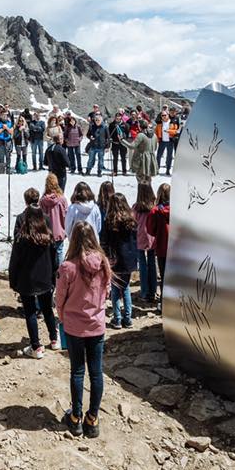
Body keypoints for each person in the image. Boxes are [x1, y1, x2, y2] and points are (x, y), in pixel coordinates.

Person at [55, 222, 111, 439]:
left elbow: (60, 297)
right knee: (96, 372)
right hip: (96, 324)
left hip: (74, 325)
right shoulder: (103, 263)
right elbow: (105, 292)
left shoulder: (68, 267)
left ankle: (76, 417)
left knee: (77, 371)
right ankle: (92, 418)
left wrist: (62, 316)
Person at [9, 189, 59, 357]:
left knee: (30, 311)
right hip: (44, 276)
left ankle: (36, 346)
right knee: (47, 309)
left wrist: (13, 279)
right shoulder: (46, 232)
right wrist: (54, 275)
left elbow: (14, 260)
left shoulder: (22, 238)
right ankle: (54, 338)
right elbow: (53, 256)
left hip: (27, 278)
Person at [101, 194, 138, 329]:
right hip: (128, 260)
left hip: (115, 260)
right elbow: (135, 242)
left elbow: (104, 242)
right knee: (126, 288)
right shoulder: (131, 221)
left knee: (116, 290)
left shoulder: (109, 222)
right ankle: (127, 318)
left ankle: (117, 319)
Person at [41, 173, 69, 284]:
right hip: (59, 231)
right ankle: (60, 276)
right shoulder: (62, 199)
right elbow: (66, 215)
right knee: (59, 253)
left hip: (47, 232)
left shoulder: (43, 200)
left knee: (49, 256)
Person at [133, 182, 157, 303]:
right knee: (152, 263)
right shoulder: (154, 207)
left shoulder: (136, 207)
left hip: (140, 237)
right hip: (152, 237)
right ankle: (153, 291)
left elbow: (133, 222)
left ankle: (144, 291)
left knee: (142, 265)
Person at [151, 183, 171, 293]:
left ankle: (164, 304)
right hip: (177, 248)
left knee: (164, 276)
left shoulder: (155, 211)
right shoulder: (178, 209)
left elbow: (150, 229)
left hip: (162, 248)